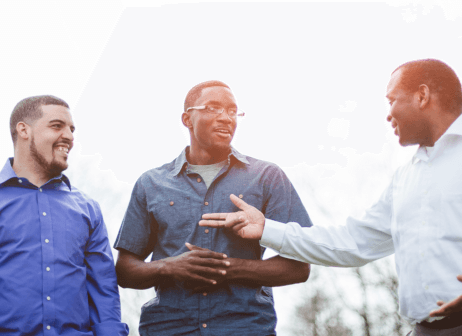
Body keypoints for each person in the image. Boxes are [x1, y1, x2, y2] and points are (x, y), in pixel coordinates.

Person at [199, 59, 462, 335]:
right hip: (426, 330)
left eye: (391, 100)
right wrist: (268, 229)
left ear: (422, 95)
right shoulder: (408, 177)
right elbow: (353, 242)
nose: (388, 114)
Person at [113, 80, 313, 335]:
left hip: (244, 328)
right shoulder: (150, 183)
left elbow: (299, 267)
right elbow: (126, 271)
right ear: (187, 119)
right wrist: (170, 266)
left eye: (232, 111)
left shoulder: (267, 177)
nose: (226, 118)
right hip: (168, 328)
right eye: (213, 108)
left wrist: (228, 269)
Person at [0, 95, 129, 336]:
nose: (69, 136)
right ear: (23, 130)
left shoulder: (88, 209)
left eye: (72, 129)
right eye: (57, 126)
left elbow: (104, 290)